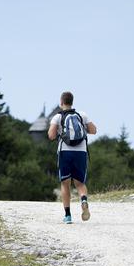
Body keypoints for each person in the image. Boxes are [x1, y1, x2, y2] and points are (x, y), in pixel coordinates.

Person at [48, 91, 97, 224]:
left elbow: (51, 135)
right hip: (81, 152)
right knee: (80, 183)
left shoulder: (57, 117)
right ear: (72, 101)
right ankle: (84, 200)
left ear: (61, 102)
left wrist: (60, 132)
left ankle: (68, 215)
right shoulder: (82, 115)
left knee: (65, 183)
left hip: (65, 151)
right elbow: (93, 130)